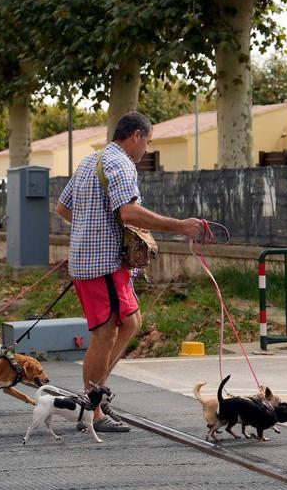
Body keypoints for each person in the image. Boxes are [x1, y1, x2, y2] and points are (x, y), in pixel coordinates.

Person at [56, 111, 201, 432]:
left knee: (132, 321)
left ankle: (95, 394)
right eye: (147, 142)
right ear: (135, 136)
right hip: (103, 264)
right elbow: (129, 211)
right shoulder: (121, 164)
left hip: (95, 262)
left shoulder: (89, 161)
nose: (146, 150)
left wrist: (86, 230)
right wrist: (179, 226)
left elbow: (63, 208)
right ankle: (91, 411)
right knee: (105, 333)